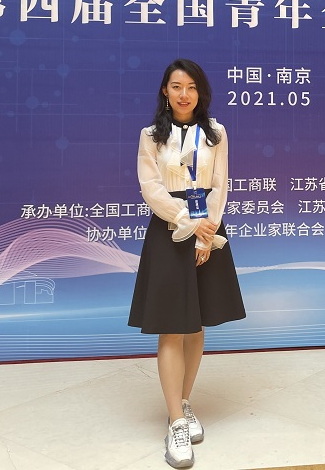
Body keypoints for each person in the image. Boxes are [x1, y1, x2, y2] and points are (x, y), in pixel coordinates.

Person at [128, 58, 246, 469]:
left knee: (196, 324)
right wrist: (188, 224)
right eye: (177, 86)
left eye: (191, 87)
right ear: (165, 90)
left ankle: (182, 402)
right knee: (171, 326)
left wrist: (206, 233)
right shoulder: (150, 136)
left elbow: (220, 184)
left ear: (201, 92)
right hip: (169, 230)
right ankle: (176, 422)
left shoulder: (216, 133)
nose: (184, 94)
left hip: (209, 229)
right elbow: (151, 187)